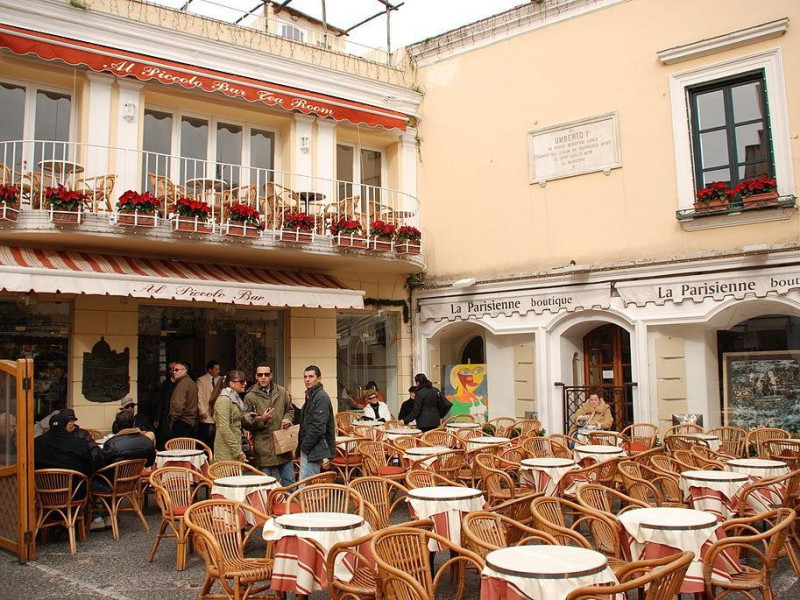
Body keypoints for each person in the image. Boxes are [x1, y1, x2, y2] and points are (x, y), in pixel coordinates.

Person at [242, 364, 295, 486]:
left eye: (266, 374)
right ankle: (269, 505)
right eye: (260, 375)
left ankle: (290, 504)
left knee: (290, 482)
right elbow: (245, 422)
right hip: (264, 447)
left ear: (271, 375)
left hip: (283, 445)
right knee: (266, 485)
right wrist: (262, 419)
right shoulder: (250, 396)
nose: (263, 377)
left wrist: (287, 419)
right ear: (256, 376)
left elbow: (290, 410)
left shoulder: (281, 391)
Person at [297, 365, 334, 481]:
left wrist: (304, 447)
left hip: (313, 449)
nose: (307, 379)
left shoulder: (320, 397)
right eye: (305, 377)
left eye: (311, 376)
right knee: (305, 486)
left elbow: (318, 427)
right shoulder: (312, 395)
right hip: (311, 448)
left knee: (307, 488)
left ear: (319, 379)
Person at [34, 410, 94, 477]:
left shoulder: (36, 442)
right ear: (67, 425)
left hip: (42, 485)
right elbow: (89, 467)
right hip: (75, 485)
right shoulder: (79, 443)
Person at [213, 370, 248, 463]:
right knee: (227, 476)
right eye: (241, 382)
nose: (245, 383)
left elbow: (236, 417)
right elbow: (224, 427)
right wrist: (238, 451)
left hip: (234, 445)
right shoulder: (224, 399)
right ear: (232, 384)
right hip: (226, 449)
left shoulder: (234, 397)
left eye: (245, 381)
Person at [168, 361, 198, 439]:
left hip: (182, 422)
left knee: (179, 449)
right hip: (189, 421)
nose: (173, 372)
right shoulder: (190, 382)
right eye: (173, 370)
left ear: (185, 371)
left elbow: (178, 405)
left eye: (177, 370)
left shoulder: (182, 384)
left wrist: (173, 419)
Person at [196, 360, 220, 448]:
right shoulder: (201, 380)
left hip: (217, 412)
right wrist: (201, 411)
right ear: (210, 370)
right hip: (206, 412)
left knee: (215, 438)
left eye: (219, 369)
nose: (218, 371)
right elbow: (199, 397)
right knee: (204, 436)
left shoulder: (220, 380)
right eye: (216, 369)